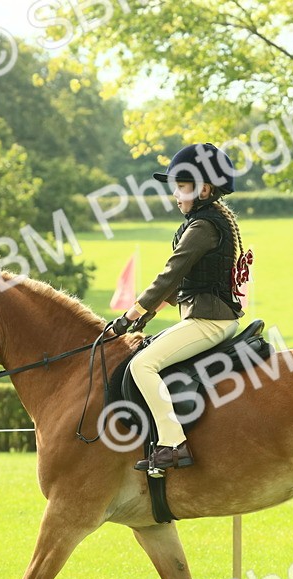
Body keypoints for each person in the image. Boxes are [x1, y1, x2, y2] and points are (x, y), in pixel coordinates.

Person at [108, 143, 248, 472]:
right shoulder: (207, 221)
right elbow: (186, 282)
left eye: (182, 187)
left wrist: (134, 312)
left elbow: (171, 273)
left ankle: (174, 444)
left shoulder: (202, 227)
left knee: (143, 366)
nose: (176, 195)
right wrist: (151, 313)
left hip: (209, 322)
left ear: (205, 189)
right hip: (207, 318)